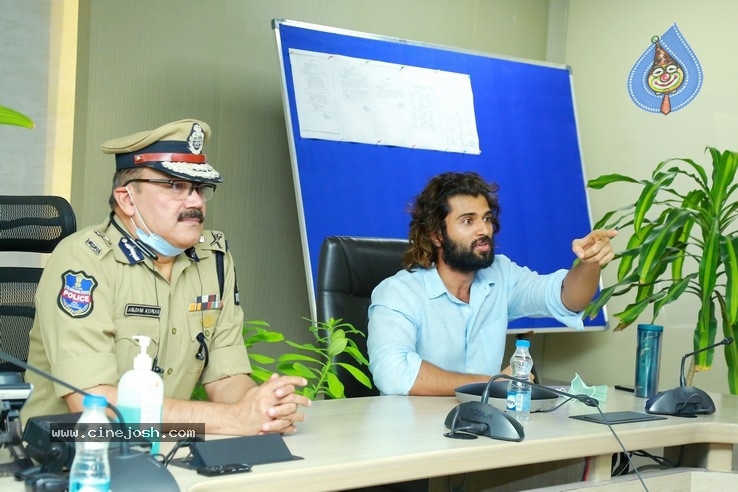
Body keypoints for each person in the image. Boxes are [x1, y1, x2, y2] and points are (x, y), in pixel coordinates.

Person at [23, 119, 310, 435]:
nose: (196, 202)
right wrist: (233, 419)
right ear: (127, 200)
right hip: (71, 458)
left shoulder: (212, 260)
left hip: (166, 448)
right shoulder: (85, 260)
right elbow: (94, 404)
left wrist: (261, 407)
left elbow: (225, 377)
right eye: (175, 186)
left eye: (200, 188)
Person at [367, 171, 617, 396]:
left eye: (486, 219)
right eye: (468, 221)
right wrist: (491, 383)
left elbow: (566, 298)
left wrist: (590, 262)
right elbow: (393, 374)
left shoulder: (501, 274)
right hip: (416, 435)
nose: (483, 230)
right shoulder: (397, 293)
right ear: (436, 235)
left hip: (485, 426)